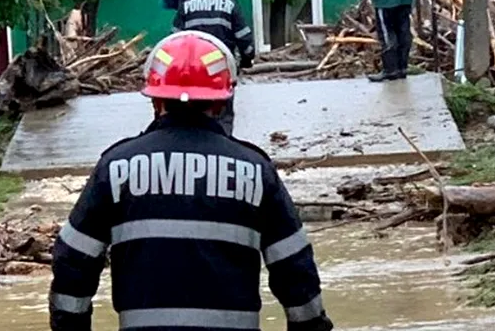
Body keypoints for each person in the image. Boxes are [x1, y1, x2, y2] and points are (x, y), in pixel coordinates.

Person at [48, 32, 333, 331]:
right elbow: (296, 272)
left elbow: (73, 263)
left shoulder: (115, 167)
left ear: (156, 99)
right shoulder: (256, 170)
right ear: (222, 102)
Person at [177, 0, 255, 134]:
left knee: (188, 109)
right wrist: (247, 58)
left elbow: (175, 37)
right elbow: (243, 37)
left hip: (192, 69)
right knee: (223, 111)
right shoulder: (230, 5)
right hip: (221, 68)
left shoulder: (187, 4)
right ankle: (223, 144)